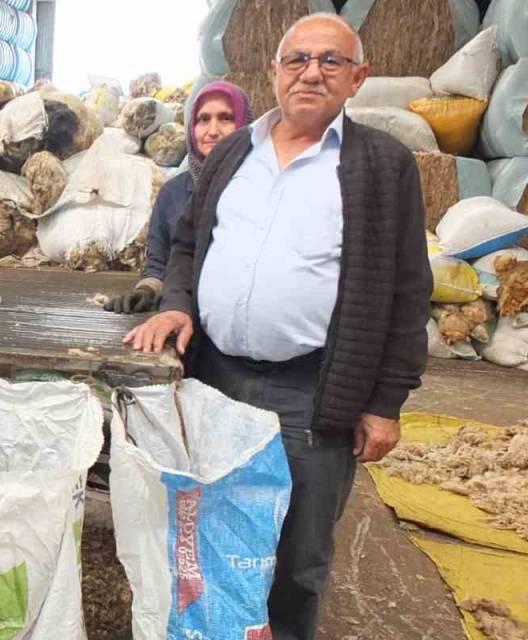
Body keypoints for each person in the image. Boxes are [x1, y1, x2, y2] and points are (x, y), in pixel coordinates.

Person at [124, 13, 430, 640]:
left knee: (296, 558)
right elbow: (187, 245)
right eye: (298, 60)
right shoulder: (235, 151)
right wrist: (177, 303)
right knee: (204, 532)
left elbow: (406, 290)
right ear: (274, 71)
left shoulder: (381, 165)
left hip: (311, 390)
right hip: (215, 379)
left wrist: (385, 401)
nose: (311, 73)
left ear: (358, 79)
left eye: (331, 62)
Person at [105, 81, 250, 314]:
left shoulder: (259, 188)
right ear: (192, 128)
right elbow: (160, 261)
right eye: (203, 119)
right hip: (181, 317)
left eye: (225, 118)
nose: (213, 130)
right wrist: (146, 291)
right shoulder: (173, 193)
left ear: (245, 124)